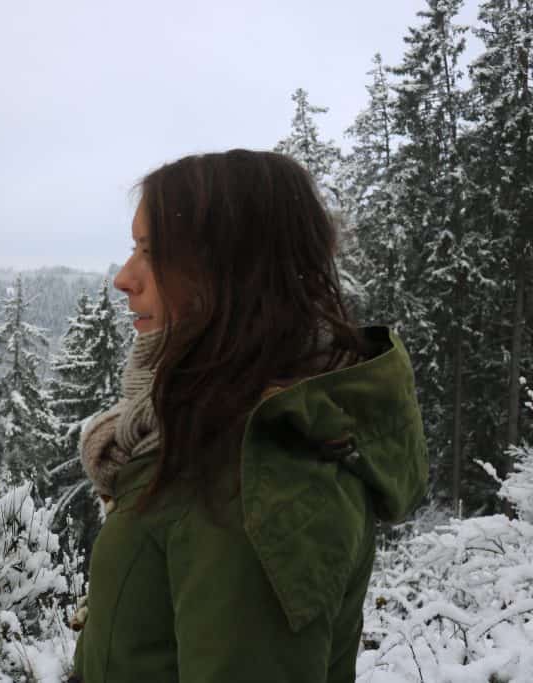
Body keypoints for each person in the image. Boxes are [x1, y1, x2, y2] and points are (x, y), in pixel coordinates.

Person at [67, 149, 428, 683]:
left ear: (229, 273)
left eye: (153, 252)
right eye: (133, 248)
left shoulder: (255, 484)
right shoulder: (203, 432)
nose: (124, 277)